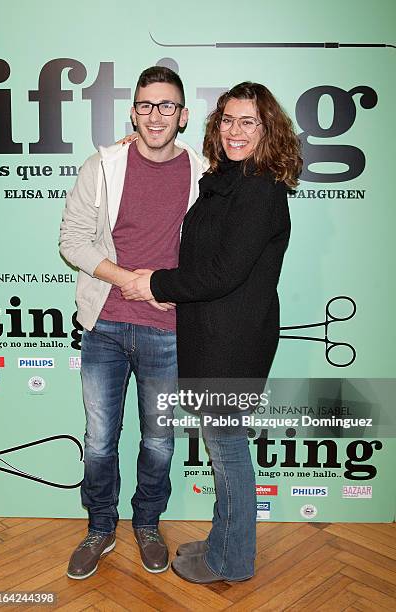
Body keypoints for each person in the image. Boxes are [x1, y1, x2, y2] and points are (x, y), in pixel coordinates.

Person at [121, 82, 302, 583]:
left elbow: (222, 271)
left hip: (233, 342)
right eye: (227, 119)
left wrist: (154, 282)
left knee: (227, 453)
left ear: (268, 131)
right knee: (224, 450)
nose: (234, 130)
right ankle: (224, 538)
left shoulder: (260, 189)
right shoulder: (225, 179)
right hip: (209, 334)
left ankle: (233, 559)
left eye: (248, 122)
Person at [59, 66, 206, 579]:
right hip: (104, 325)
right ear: (133, 112)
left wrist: (170, 288)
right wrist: (131, 280)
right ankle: (100, 527)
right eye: (146, 105)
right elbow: (72, 241)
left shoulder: (206, 174)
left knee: (159, 440)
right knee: (99, 439)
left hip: (167, 332)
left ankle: (147, 524)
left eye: (166, 105)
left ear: (183, 115)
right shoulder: (103, 166)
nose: (155, 114)